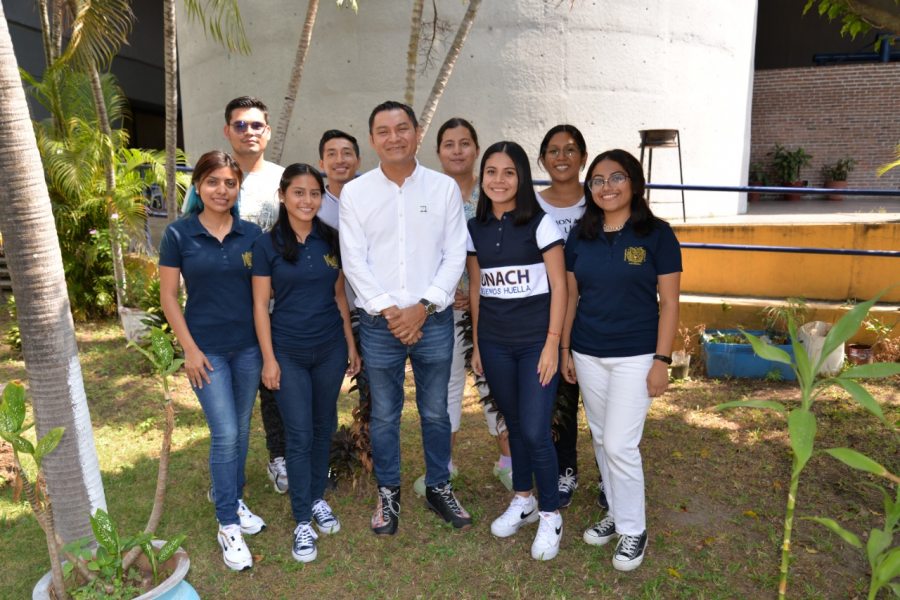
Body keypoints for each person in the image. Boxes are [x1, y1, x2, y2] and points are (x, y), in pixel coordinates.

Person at [339, 100, 472, 534]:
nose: (393, 137)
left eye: (402, 129)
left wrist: (424, 306)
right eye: (383, 131)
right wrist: (389, 309)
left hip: (431, 318)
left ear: (416, 133)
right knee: (385, 414)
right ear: (373, 139)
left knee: (435, 411)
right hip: (380, 324)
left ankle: (438, 486)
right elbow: (353, 259)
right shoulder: (356, 193)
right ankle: (388, 494)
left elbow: (455, 253)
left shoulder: (443, 189)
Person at [560, 149, 681, 572]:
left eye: (616, 177)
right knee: (599, 438)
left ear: (634, 182)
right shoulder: (581, 234)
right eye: (597, 180)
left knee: (619, 444)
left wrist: (661, 360)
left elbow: (669, 303)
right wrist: (565, 350)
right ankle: (614, 511)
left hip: (636, 354)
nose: (606, 186)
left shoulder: (657, 234)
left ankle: (634, 529)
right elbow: (573, 296)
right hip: (588, 352)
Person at [159, 150, 265, 571]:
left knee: (240, 429)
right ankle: (227, 525)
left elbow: (263, 295)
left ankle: (233, 499)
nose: (222, 190)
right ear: (198, 186)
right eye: (213, 182)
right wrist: (189, 348)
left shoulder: (252, 234)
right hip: (207, 352)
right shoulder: (179, 234)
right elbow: (169, 296)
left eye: (230, 183)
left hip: (248, 349)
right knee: (224, 434)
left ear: (238, 189)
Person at [252, 164, 360, 563]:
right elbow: (261, 307)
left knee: (323, 426)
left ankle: (316, 497)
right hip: (288, 352)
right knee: (298, 434)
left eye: (314, 193)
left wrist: (350, 344)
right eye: (299, 193)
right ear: (283, 195)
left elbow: (338, 297)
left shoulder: (330, 239)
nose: (307, 200)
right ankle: (301, 520)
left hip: (329, 349)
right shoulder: (268, 245)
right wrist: (269, 358)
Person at [468, 141, 568, 561]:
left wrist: (551, 345)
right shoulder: (474, 229)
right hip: (494, 343)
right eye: (491, 171)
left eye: (508, 172)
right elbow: (476, 288)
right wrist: (476, 343)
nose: (499, 180)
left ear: (522, 177)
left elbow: (561, 286)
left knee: (534, 428)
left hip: (534, 344)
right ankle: (523, 497)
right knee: (512, 422)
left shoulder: (540, 224)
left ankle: (550, 514)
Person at [412, 118, 513, 498]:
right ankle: (444, 465)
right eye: (449, 144)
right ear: (438, 152)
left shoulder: (493, 193)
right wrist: (438, 293)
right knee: (444, 387)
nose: (457, 150)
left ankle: (508, 462)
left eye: (465, 143)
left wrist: (474, 294)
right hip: (440, 309)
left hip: (493, 308)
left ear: (476, 148)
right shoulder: (428, 194)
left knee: (495, 383)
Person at [221, 96, 289, 495]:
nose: (249, 132)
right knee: (232, 395)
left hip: (277, 306)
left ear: (267, 130)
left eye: (256, 125)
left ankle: (278, 457)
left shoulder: (283, 180)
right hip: (227, 309)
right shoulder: (213, 176)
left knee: (273, 384)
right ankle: (229, 469)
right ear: (228, 131)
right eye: (240, 125)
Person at [535, 124, 601, 509]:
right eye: (554, 150)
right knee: (559, 400)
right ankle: (565, 470)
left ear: (584, 157)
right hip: (545, 317)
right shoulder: (530, 206)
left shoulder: (600, 201)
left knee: (600, 403)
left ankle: (612, 477)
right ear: (542, 158)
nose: (562, 157)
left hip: (592, 317)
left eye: (570, 149)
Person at [317, 129, 360, 229]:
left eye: (347, 153)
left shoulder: (375, 201)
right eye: (332, 154)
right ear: (321, 164)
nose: (340, 160)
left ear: (358, 162)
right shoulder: (312, 208)